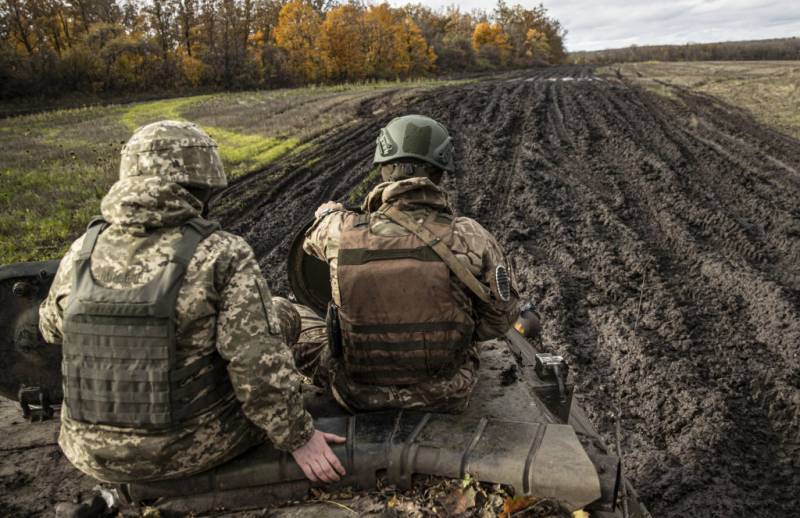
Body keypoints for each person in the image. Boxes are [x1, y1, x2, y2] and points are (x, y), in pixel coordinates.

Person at [39, 120, 345, 486]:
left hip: (88, 453)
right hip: (191, 448)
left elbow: (51, 330)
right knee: (281, 313)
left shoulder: (81, 251)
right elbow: (256, 363)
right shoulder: (220, 253)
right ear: (202, 185)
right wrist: (299, 437)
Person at [299, 114, 519, 413]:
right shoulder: (471, 235)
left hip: (358, 395)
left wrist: (328, 213)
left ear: (384, 167)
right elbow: (500, 321)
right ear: (440, 173)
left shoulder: (340, 229)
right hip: (447, 394)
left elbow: (310, 242)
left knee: (286, 313)